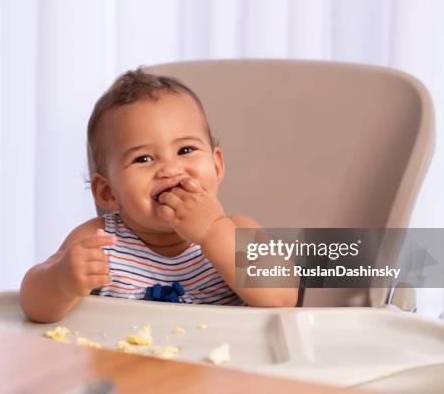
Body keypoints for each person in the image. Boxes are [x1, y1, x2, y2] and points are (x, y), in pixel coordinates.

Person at [20, 68, 298, 323]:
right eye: (143, 158)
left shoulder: (239, 232)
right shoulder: (99, 241)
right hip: (130, 369)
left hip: (222, 369)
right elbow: (33, 304)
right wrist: (61, 281)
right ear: (107, 192)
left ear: (216, 166)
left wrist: (213, 230)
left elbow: (283, 298)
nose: (170, 169)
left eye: (186, 150)